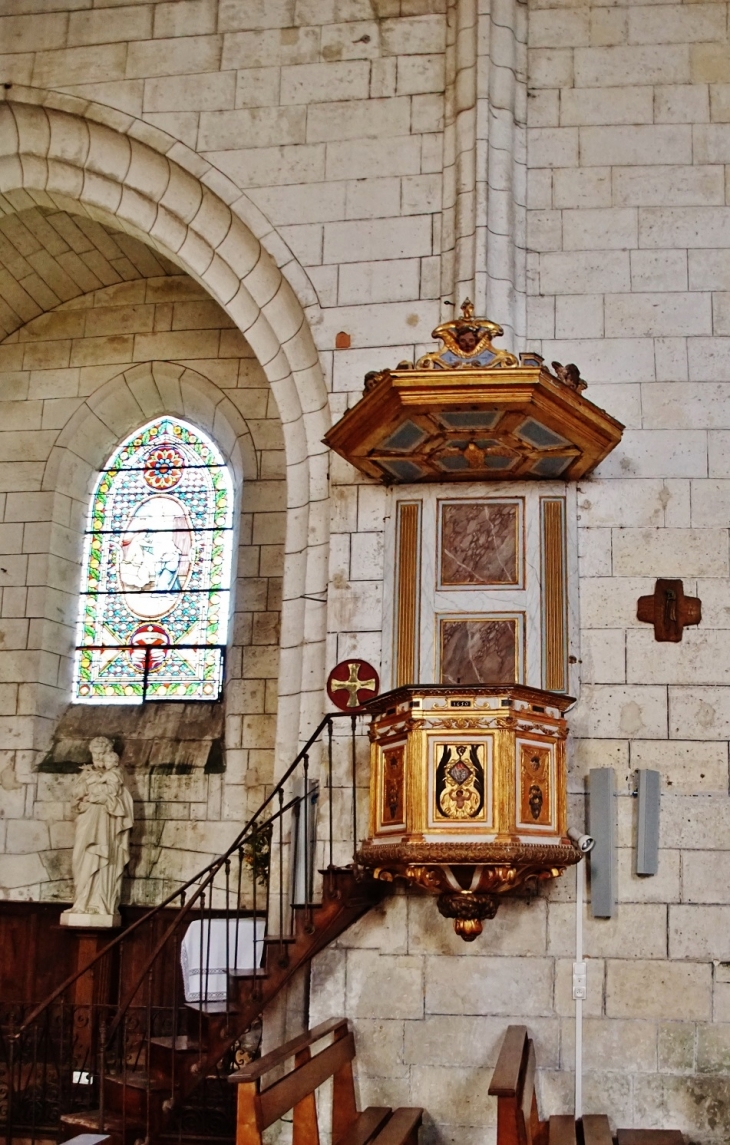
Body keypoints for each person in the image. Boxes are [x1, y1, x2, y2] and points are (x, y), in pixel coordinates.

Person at [62, 737, 134, 924]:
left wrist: (103, 798)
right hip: (86, 821)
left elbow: (123, 806)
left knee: (104, 860)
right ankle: (81, 901)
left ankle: (100, 903)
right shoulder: (86, 774)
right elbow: (76, 798)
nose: (98, 758)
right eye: (95, 753)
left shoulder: (117, 776)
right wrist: (85, 790)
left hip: (106, 825)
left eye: (102, 754)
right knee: (82, 857)